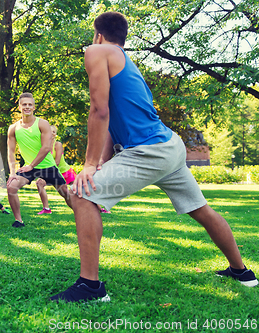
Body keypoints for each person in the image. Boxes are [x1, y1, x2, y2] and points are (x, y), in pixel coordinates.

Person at [50, 11, 257, 303]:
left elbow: (98, 111)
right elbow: (112, 120)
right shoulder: (125, 63)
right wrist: (99, 165)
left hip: (150, 151)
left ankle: (91, 288)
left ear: (98, 35)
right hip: (170, 147)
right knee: (202, 210)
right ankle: (243, 272)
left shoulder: (97, 51)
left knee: (82, 195)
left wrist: (87, 166)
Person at [6, 92, 72, 227]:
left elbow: (46, 147)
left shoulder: (42, 124)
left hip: (47, 166)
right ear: (19, 107)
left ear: (34, 107)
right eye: (24, 104)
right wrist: (12, 173)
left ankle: (80, 213)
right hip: (30, 167)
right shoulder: (13, 128)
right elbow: (11, 152)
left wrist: (31, 165)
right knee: (11, 187)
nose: (27, 107)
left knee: (65, 193)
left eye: (30, 104)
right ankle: (18, 220)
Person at [35, 125, 111, 215]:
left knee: (81, 191)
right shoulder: (42, 145)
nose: (52, 133)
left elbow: (57, 162)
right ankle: (47, 208)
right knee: (40, 184)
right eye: (50, 131)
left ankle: (100, 209)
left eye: (54, 132)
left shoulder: (57, 144)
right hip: (54, 173)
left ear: (56, 134)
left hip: (65, 172)